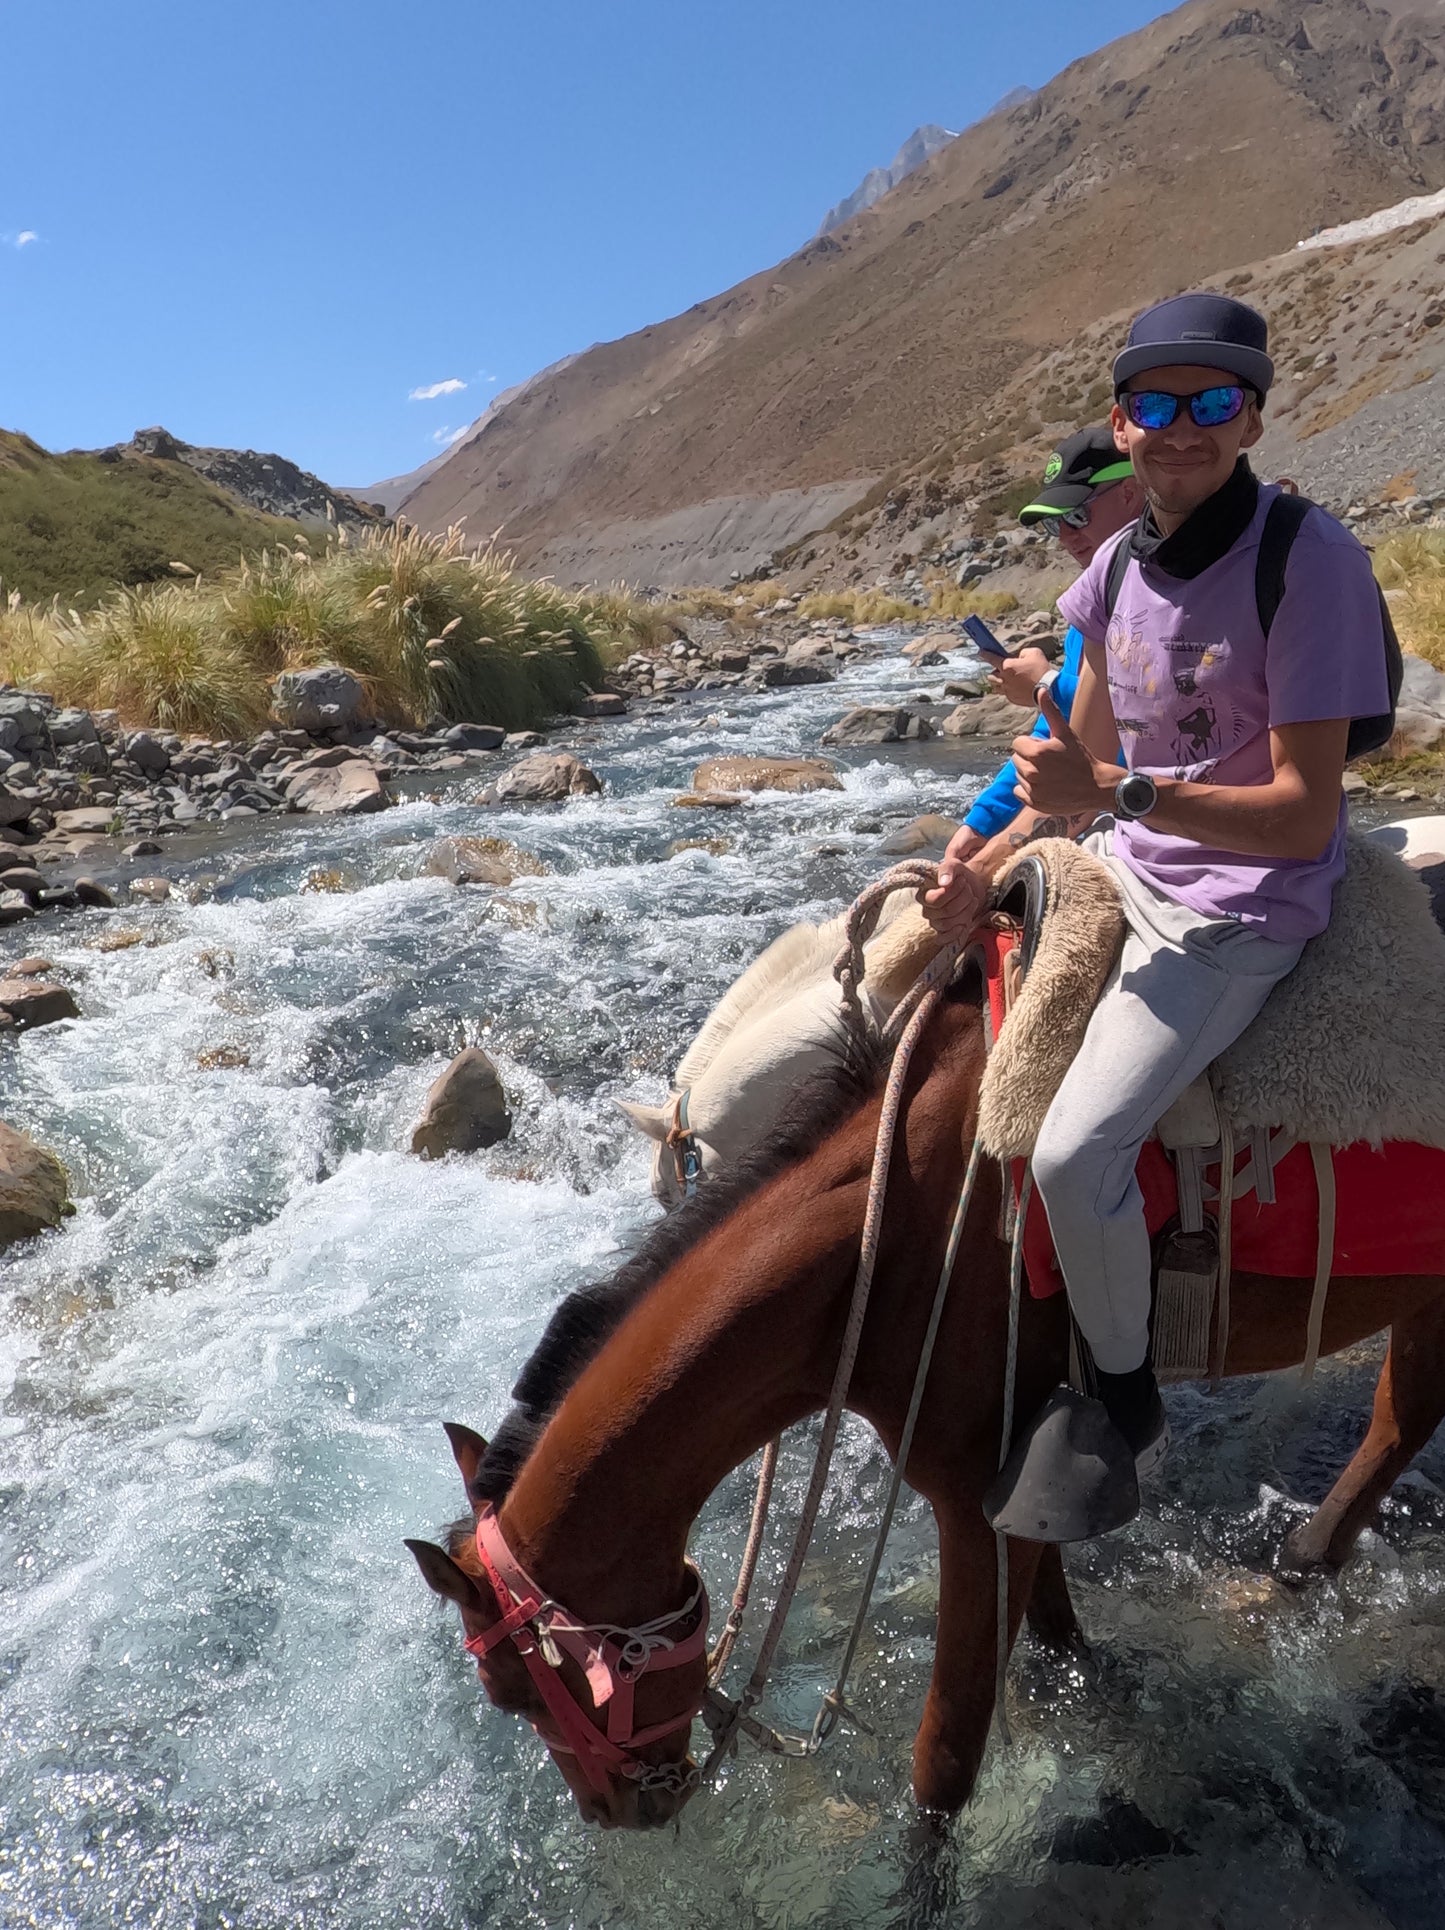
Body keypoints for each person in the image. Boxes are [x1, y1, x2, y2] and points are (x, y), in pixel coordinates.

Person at [924, 292, 1391, 1540]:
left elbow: (1299, 815)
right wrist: (979, 865)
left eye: (1212, 401)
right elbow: (1070, 768)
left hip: (1238, 904)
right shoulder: (1111, 570)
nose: (1181, 427)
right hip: (1126, 861)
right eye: (1154, 403)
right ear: (1119, 426)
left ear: (1250, 413)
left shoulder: (1309, 560)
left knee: (1075, 1151)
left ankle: (1123, 1396)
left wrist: (1117, 792)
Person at [957, 427, 1143, 859]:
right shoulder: (1093, 602)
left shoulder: (1172, 591)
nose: (1065, 536)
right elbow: (1055, 739)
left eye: (1077, 515)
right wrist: (980, 823)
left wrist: (1047, 685)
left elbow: (1148, 715)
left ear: (1131, 493)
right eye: (1054, 524)